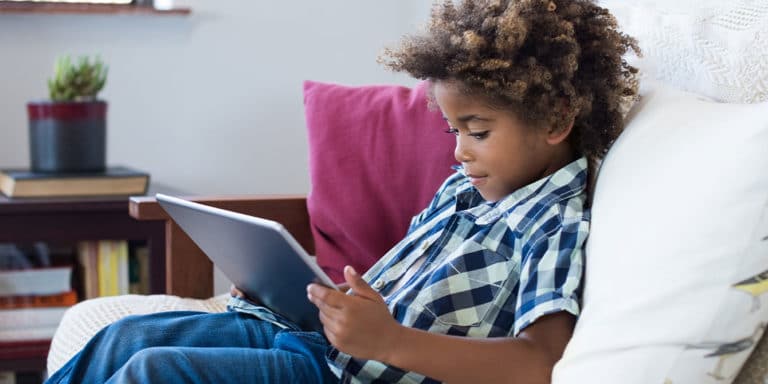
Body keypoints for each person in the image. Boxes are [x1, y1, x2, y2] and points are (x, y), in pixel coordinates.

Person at [46, 1, 639, 383]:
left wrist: (390, 340)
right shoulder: (469, 185)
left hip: (351, 374)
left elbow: (540, 362)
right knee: (124, 336)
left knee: (157, 371)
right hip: (312, 338)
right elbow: (393, 282)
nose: (459, 150)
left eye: (478, 131)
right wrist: (288, 287)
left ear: (557, 118)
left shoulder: (554, 222)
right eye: (453, 130)